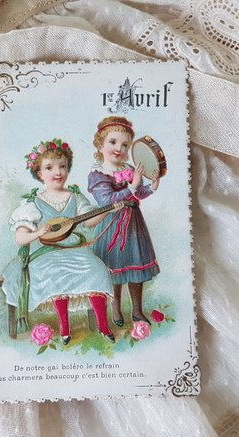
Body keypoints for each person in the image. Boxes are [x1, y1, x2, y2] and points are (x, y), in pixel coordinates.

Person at [1, 138, 121, 345]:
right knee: (55, 273)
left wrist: (109, 209)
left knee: (96, 268)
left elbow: (89, 220)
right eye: (49, 168)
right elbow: (20, 238)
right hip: (46, 252)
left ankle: (103, 325)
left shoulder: (75, 197)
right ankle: (65, 328)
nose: (57, 172)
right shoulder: (33, 202)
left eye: (62, 166)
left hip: (75, 249)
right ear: (39, 173)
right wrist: (38, 232)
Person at [87, 116, 161, 327]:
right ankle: (116, 308)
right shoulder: (97, 174)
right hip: (111, 224)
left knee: (135, 267)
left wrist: (150, 187)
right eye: (113, 142)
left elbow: (137, 194)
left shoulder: (129, 169)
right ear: (100, 145)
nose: (119, 148)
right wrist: (132, 186)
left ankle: (137, 311)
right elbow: (106, 200)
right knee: (114, 269)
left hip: (134, 225)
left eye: (125, 144)